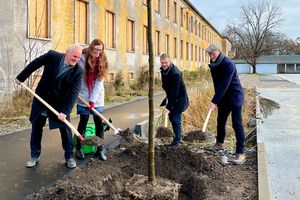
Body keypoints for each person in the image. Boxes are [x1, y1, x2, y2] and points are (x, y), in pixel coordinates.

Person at [15, 45, 83, 169]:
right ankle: (34, 155)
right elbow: (35, 64)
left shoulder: (78, 71)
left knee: (65, 130)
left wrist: (65, 111)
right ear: (67, 53)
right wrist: (21, 77)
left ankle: (69, 156)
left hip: (60, 105)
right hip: (42, 99)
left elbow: (74, 93)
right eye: (74, 56)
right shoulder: (52, 56)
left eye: (79, 57)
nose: (76, 60)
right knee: (37, 127)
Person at [206, 44, 246, 165]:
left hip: (235, 97)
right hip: (224, 98)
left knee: (237, 124)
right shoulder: (214, 63)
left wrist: (214, 101)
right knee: (220, 121)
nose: (211, 55)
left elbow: (224, 84)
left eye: (212, 52)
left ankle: (241, 153)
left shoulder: (228, 63)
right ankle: (219, 144)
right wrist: (218, 99)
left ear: (219, 51)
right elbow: (217, 84)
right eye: (209, 53)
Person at [75, 39, 108, 160]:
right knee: (83, 121)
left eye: (100, 50)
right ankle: (79, 148)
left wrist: (93, 101)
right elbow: (75, 73)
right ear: (91, 48)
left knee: (99, 123)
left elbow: (99, 83)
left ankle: (100, 150)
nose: (98, 52)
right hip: (82, 95)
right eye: (96, 49)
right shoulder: (82, 58)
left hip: (97, 98)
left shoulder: (103, 61)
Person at [160, 53, 189, 146]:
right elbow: (168, 88)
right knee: (172, 117)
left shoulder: (175, 73)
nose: (164, 64)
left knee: (175, 119)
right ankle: (177, 136)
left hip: (180, 100)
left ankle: (177, 142)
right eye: (162, 62)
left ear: (170, 61)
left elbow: (174, 92)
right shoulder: (164, 71)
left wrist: (169, 106)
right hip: (173, 98)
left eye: (166, 62)